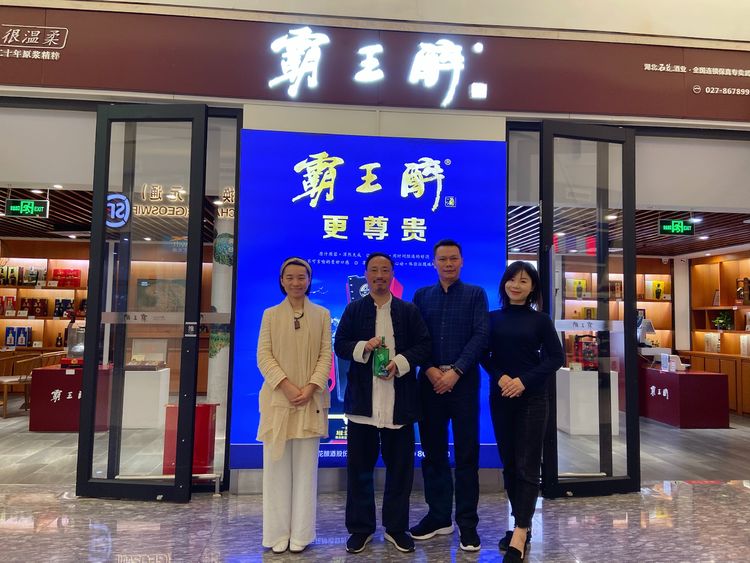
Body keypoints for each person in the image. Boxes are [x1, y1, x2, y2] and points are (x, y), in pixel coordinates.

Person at [334, 252, 431, 554]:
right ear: (366, 274)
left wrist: (400, 362)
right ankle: (360, 529)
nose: (379, 275)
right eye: (374, 270)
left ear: (392, 274)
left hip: (399, 407)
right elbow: (340, 345)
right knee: (359, 471)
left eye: (385, 270)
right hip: (362, 408)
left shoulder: (408, 310)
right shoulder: (354, 310)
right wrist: (364, 347)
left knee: (400, 471)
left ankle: (396, 528)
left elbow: (424, 345)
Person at [481, 260, 564, 562]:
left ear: (532, 288)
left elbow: (556, 357)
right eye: (512, 279)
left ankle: (519, 532)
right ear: (504, 283)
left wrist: (523, 381)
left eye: (524, 281)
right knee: (510, 465)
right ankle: (522, 523)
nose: (516, 285)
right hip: (501, 396)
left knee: (528, 465)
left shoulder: (540, 320)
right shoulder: (492, 318)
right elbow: (484, 355)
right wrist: (501, 377)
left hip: (532, 399)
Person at [411, 239, 489, 552]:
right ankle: (439, 516)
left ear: (462, 261)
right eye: (442, 259)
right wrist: (430, 370)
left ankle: (467, 524)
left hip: (464, 384)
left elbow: (481, 335)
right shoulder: (422, 296)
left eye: (453, 258)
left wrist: (455, 371)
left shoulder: (475, 294)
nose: (448, 264)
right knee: (433, 454)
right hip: (429, 384)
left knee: (467, 455)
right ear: (434, 262)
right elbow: (416, 338)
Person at [256, 257, 332, 554]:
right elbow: (264, 356)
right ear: (282, 280)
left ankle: (301, 533)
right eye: (290, 277)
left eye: (302, 277)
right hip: (278, 400)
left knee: (305, 472)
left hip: (310, 402)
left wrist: (311, 387)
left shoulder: (322, 314)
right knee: (276, 470)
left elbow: (325, 355)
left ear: (309, 280)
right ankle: (276, 534)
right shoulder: (270, 315)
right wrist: (286, 386)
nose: (296, 282)